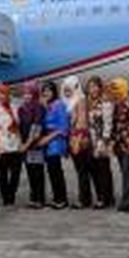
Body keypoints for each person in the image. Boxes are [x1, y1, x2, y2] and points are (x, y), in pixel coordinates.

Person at [62, 75, 95, 209]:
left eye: (69, 88)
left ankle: (84, 199)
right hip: (75, 138)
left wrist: (76, 140)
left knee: (82, 170)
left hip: (79, 139)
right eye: (65, 89)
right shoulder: (71, 101)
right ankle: (85, 198)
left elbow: (82, 122)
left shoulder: (80, 100)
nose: (66, 91)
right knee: (81, 170)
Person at [0, 84, 22, 206]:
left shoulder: (14, 107)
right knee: (3, 174)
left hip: (16, 145)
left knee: (16, 174)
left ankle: (11, 194)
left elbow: (19, 125)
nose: (2, 96)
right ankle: (6, 198)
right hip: (2, 147)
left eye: (4, 93)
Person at [110, 77, 129, 212]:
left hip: (128, 142)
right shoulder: (117, 103)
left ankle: (126, 201)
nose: (114, 92)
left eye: (116, 89)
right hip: (119, 143)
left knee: (128, 172)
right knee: (125, 172)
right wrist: (112, 141)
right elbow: (114, 125)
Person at [40, 81, 69, 209]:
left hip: (55, 141)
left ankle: (61, 199)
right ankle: (57, 198)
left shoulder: (59, 104)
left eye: (49, 90)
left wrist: (48, 138)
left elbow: (63, 127)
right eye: (44, 91)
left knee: (56, 171)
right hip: (46, 141)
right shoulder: (47, 105)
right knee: (51, 171)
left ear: (54, 91)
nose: (46, 93)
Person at [86, 76, 115, 209]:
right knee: (93, 169)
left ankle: (106, 197)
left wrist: (104, 141)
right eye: (90, 86)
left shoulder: (105, 102)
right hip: (90, 140)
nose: (92, 89)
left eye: (95, 86)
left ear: (100, 87)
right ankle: (100, 196)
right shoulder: (89, 102)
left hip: (101, 140)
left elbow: (108, 123)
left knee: (103, 170)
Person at [18, 81, 47, 209]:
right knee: (30, 171)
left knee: (37, 171)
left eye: (29, 93)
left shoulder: (38, 107)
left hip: (35, 145)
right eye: (25, 93)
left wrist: (27, 144)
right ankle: (33, 197)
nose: (27, 96)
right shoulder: (22, 108)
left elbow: (37, 127)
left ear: (34, 94)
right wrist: (21, 143)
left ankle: (39, 199)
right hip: (25, 144)